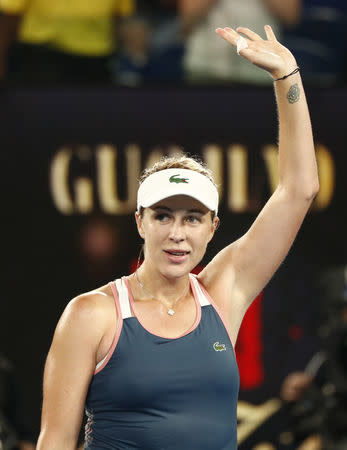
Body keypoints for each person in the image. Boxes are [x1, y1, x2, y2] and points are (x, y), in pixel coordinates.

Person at [36, 25, 319, 449]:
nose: (176, 234)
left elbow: (299, 190)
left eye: (192, 219)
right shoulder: (92, 315)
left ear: (212, 228)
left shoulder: (223, 292)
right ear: (139, 222)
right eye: (163, 216)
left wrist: (288, 77)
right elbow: (55, 442)